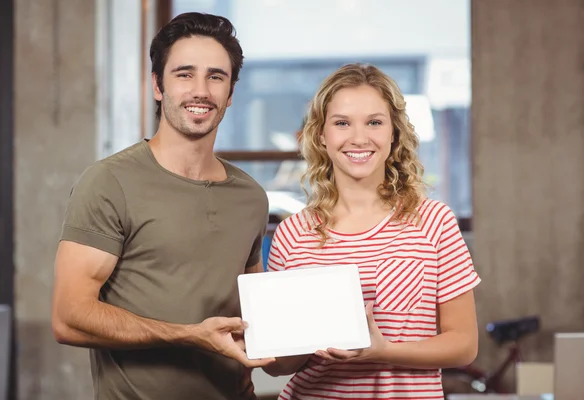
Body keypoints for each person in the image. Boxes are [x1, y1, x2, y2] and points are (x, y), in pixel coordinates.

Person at [51, 12, 274, 400]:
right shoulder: (109, 182)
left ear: (231, 93)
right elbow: (69, 318)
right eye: (184, 74)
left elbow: (255, 317)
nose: (201, 90)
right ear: (158, 85)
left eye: (216, 76)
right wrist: (189, 335)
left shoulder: (251, 196)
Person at [263, 63, 480, 399]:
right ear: (322, 134)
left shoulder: (434, 222)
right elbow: (276, 364)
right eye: (342, 123)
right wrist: (308, 338)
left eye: (374, 122)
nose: (359, 138)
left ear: (393, 133)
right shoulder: (293, 233)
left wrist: (382, 350)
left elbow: (464, 345)